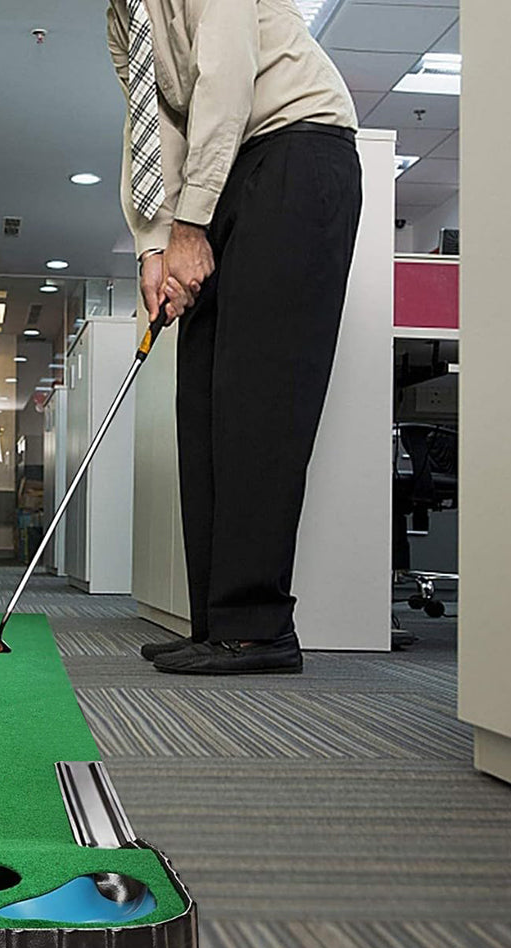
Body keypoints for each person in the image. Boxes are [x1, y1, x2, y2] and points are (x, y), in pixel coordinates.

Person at [106, 0, 362, 675]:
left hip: (297, 152)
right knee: (206, 399)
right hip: (225, 170)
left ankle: (258, 626)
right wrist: (153, 248)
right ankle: (216, 621)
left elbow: (226, 76)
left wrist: (191, 225)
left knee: (260, 397)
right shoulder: (122, 13)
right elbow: (149, 125)